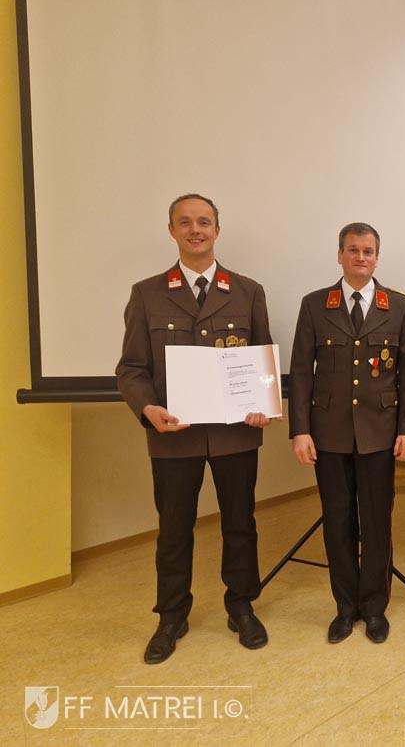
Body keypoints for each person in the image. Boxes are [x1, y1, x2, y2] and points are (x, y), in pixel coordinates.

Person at [116, 193, 274, 664]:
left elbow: (261, 362)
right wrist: (148, 409)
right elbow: (131, 368)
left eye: (204, 222)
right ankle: (171, 616)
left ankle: (241, 606)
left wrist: (262, 403)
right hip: (173, 436)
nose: (195, 230)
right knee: (174, 530)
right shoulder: (147, 293)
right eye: (185, 222)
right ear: (172, 231)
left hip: (234, 434)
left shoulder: (248, 291)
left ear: (217, 230)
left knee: (240, 524)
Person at [288, 222, 405, 644]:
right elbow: (301, 373)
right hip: (328, 435)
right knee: (338, 522)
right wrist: (300, 430)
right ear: (340, 255)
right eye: (352, 250)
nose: (360, 257)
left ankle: (375, 607)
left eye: (367, 251)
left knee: (377, 522)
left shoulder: (399, 306)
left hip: (380, 434)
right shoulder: (315, 305)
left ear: (377, 258)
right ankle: (345, 607)